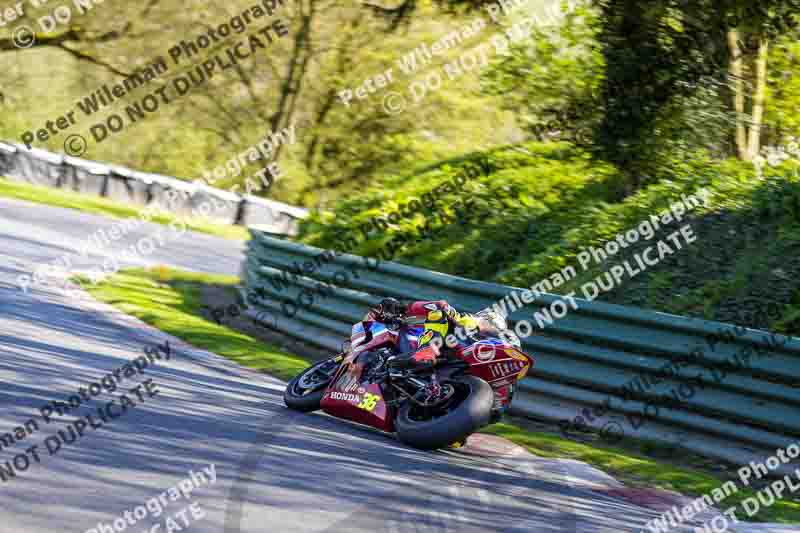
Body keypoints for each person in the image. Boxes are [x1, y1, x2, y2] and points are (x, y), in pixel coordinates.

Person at [367, 297, 507, 369]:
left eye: (495, 329)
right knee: (438, 311)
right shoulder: (472, 325)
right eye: (492, 326)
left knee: (438, 311)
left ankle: (425, 352)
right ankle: (424, 351)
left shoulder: (480, 332)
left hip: (456, 360)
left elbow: (441, 305)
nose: (491, 330)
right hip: (446, 355)